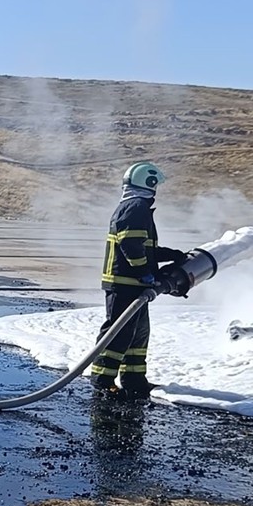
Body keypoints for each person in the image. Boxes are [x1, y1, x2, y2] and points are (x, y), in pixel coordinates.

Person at [90, 161, 186, 399]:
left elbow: (144, 248)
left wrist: (171, 255)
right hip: (124, 283)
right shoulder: (135, 207)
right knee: (118, 331)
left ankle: (134, 380)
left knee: (138, 333)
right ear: (149, 182)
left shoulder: (137, 207)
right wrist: (145, 272)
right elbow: (130, 244)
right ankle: (102, 378)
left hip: (135, 284)